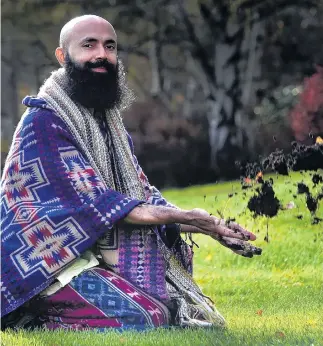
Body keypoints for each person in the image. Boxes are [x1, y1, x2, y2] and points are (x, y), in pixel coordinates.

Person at [0, 15, 261, 331]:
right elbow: (99, 203)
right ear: (62, 55)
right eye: (89, 45)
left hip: (87, 252)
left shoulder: (108, 124)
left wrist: (212, 227)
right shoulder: (43, 122)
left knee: (164, 311)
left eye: (110, 46)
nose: (102, 54)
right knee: (145, 318)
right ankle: (26, 317)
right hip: (44, 263)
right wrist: (189, 217)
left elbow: (140, 193)